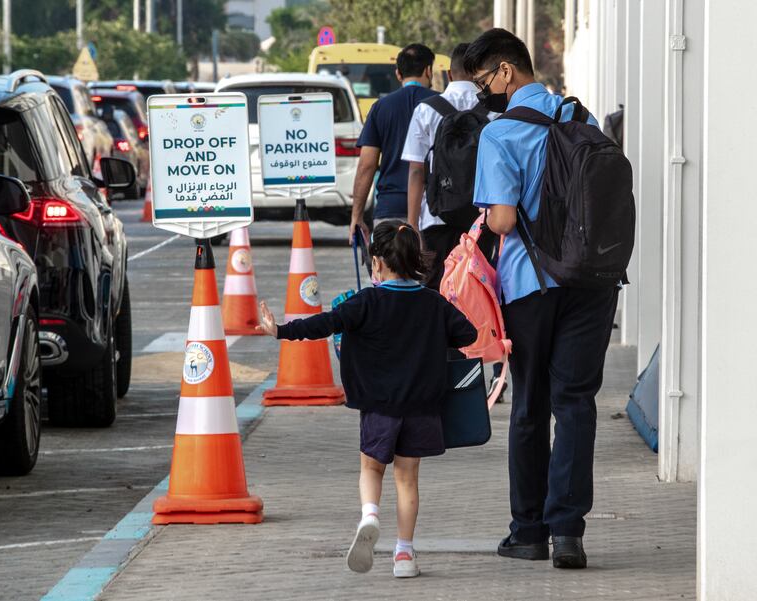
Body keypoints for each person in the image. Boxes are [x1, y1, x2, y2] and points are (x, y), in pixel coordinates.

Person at [465, 29, 618, 569]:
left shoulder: (500, 133)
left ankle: (528, 532)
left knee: (529, 404)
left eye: (486, 81)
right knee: (575, 402)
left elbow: (503, 219)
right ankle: (569, 534)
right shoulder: (583, 118)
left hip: (530, 286)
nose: (487, 92)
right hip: (593, 281)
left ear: (507, 71)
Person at [257, 221, 477, 578]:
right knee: (407, 481)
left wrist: (279, 330)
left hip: (379, 406)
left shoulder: (365, 302)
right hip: (422, 407)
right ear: (414, 260)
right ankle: (404, 556)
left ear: (377, 263)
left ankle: (370, 514)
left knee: (371, 468)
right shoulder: (432, 303)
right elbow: (467, 333)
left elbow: (324, 324)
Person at [401, 42, 491, 289]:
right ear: (478, 73)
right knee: (477, 294)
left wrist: (413, 225)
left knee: (435, 295)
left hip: (435, 219)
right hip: (481, 222)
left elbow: (416, 171)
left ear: (449, 74)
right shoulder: (494, 112)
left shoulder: (426, 110)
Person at [349, 44, 438, 244]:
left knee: (389, 273)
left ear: (398, 74)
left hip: (390, 210)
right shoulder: (442, 105)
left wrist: (357, 216)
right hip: (433, 211)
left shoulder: (381, 107)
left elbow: (367, 165)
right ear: (428, 70)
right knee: (430, 274)